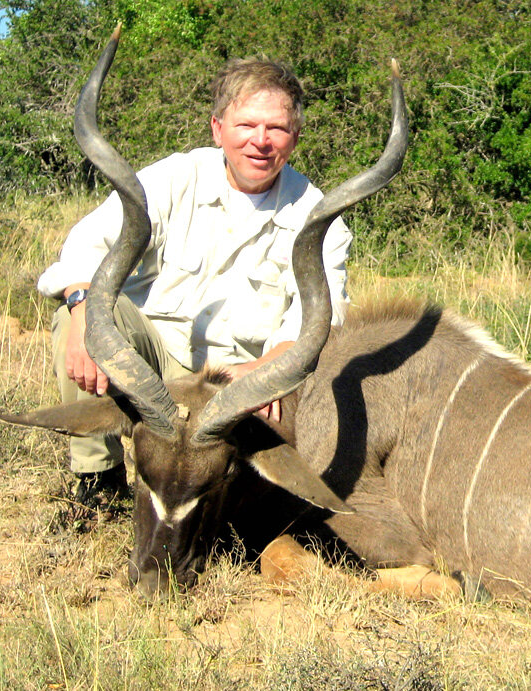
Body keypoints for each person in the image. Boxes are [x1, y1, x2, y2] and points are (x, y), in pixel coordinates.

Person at [37, 58, 351, 513]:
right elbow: (86, 248)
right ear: (217, 128)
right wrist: (84, 309)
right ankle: (98, 483)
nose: (260, 141)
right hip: (155, 368)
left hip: (239, 387)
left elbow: (317, 318)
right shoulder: (172, 179)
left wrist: (266, 372)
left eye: (276, 128)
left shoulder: (318, 216)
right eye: (246, 124)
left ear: (295, 138)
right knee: (78, 319)